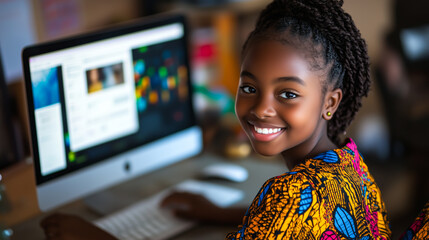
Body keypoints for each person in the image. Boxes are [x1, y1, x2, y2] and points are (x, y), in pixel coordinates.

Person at [40, 0, 392, 239]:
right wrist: (229, 214)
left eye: (287, 94)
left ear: (330, 102)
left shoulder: (289, 195)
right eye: (249, 87)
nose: (261, 109)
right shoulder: (349, 163)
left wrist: (98, 237)